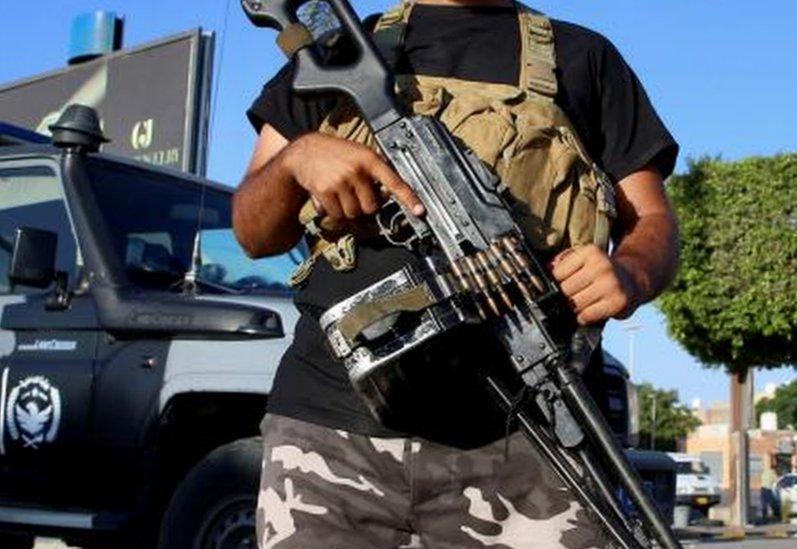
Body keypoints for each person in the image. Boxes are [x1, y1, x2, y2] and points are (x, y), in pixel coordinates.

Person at [234, 0, 680, 546]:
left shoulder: (582, 57)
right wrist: (297, 160)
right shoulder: (341, 46)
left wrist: (629, 272)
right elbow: (253, 232)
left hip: (530, 436)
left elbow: (652, 219)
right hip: (330, 432)